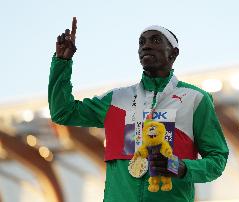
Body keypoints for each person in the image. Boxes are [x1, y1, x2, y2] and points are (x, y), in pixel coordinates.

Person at [49, 17, 229, 202]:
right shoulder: (116, 99)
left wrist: (179, 167)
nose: (146, 46)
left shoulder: (195, 98)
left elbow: (217, 159)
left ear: (173, 54)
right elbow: (63, 112)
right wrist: (62, 63)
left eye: (156, 40)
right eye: (142, 42)